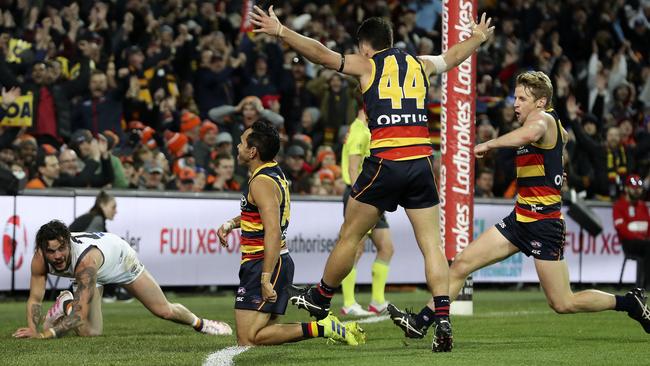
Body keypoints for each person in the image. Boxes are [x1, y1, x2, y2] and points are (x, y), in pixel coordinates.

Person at [250, 6, 494, 352]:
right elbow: (452, 57)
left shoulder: (368, 64)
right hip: (421, 163)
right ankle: (442, 318)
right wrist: (478, 38)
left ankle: (321, 298)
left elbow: (321, 54)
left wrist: (281, 31)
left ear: (365, 46)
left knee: (351, 234)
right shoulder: (419, 64)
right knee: (431, 246)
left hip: (386, 162)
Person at [447, 71, 650, 335]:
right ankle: (425, 320)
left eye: (522, 98)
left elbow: (530, 135)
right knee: (462, 263)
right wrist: (555, 169)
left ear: (540, 102)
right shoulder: (551, 125)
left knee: (563, 302)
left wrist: (489, 144)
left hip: (543, 223)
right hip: (520, 218)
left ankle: (628, 303)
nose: (515, 103)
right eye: (515, 97)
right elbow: (560, 141)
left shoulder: (540, 120)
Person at [216, 120, 364, 346]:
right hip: (272, 262)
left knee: (248, 338)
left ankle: (322, 327)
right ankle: (322, 328)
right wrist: (230, 224)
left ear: (253, 151)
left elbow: (273, 230)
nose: (237, 146)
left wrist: (265, 278)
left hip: (264, 262)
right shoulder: (271, 172)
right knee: (260, 332)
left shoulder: (261, 182)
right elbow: (259, 215)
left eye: (241, 142)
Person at [12, 220, 232, 339]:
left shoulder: (85, 263)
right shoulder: (40, 258)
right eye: (52, 251)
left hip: (120, 260)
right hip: (92, 273)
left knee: (163, 310)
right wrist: (32, 328)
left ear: (69, 243)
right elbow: (35, 298)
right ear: (42, 249)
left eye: (62, 248)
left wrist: (45, 334)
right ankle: (67, 303)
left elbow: (78, 317)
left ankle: (202, 324)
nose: (57, 256)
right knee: (90, 333)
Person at [339, 106, 394, 316]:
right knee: (355, 247)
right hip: (361, 195)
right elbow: (353, 167)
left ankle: (377, 301)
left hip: (372, 194)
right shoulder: (359, 131)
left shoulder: (364, 130)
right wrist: (358, 195)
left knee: (386, 247)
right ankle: (348, 302)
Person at [69, 191, 132, 302]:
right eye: (113, 207)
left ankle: (108, 291)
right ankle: (110, 292)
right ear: (102, 205)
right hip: (73, 258)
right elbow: (90, 245)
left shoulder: (91, 217)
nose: (116, 211)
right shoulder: (97, 219)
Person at [613, 174, 649, 289]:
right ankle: (647, 284)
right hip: (629, 243)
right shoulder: (619, 205)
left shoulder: (643, 206)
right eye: (634, 188)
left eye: (639, 188)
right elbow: (622, 230)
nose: (637, 191)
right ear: (626, 188)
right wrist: (640, 237)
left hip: (644, 242)